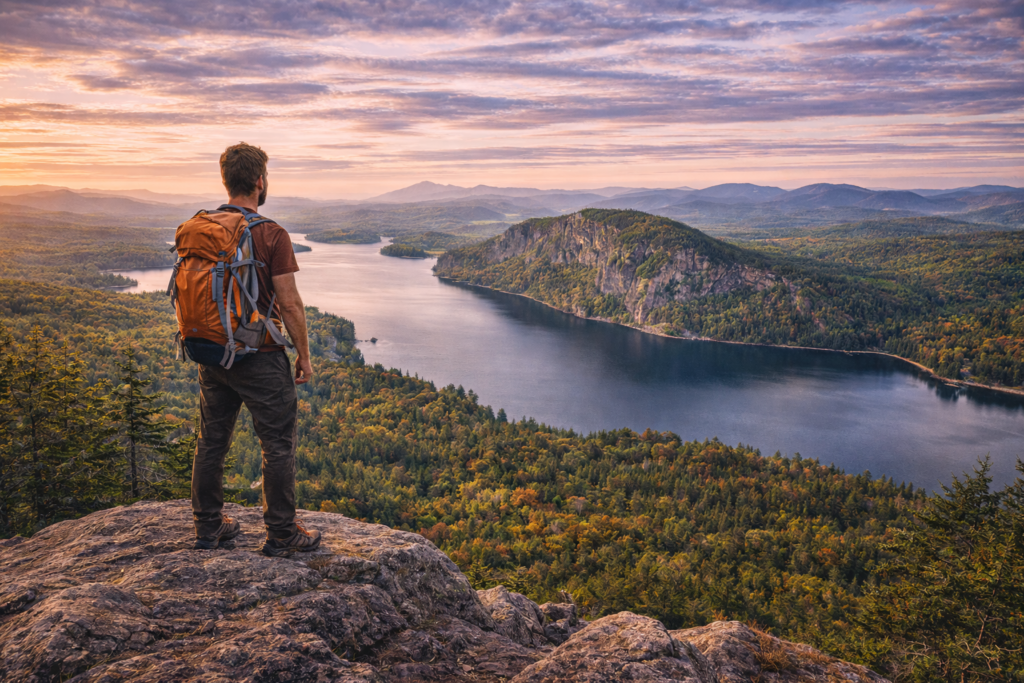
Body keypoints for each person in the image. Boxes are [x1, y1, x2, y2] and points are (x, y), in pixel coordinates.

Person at [190, 142, 321, 557]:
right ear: (260, 182)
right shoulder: (270, 233)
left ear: (226, 181)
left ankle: (209, 528)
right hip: (260, 356)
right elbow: (290, 303)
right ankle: (281, 533)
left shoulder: (200, 227)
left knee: (211, 440)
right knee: (277, 444)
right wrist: (303, 355)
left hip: (212, 352)